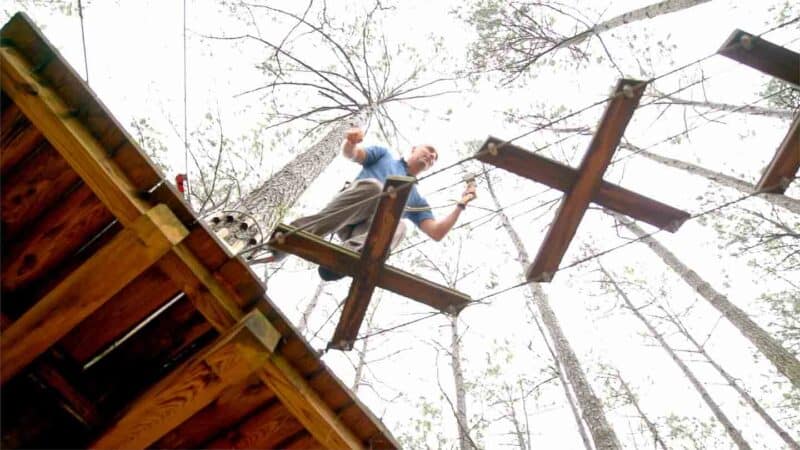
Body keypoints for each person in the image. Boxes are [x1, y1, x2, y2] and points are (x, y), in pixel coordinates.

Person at [270, 127, 477, 280]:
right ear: (413, 150)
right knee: (377, 189)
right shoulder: (384, 156)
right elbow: (353, 154)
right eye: (429, 150)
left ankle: (350, 257)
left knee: (400, 225)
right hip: (351, 208)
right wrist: (351, 142)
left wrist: (461, 205)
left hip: (365, 232)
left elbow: (436, 232)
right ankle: (296, 236)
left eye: (434, 158)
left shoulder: (415, 198)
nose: (431, 156)